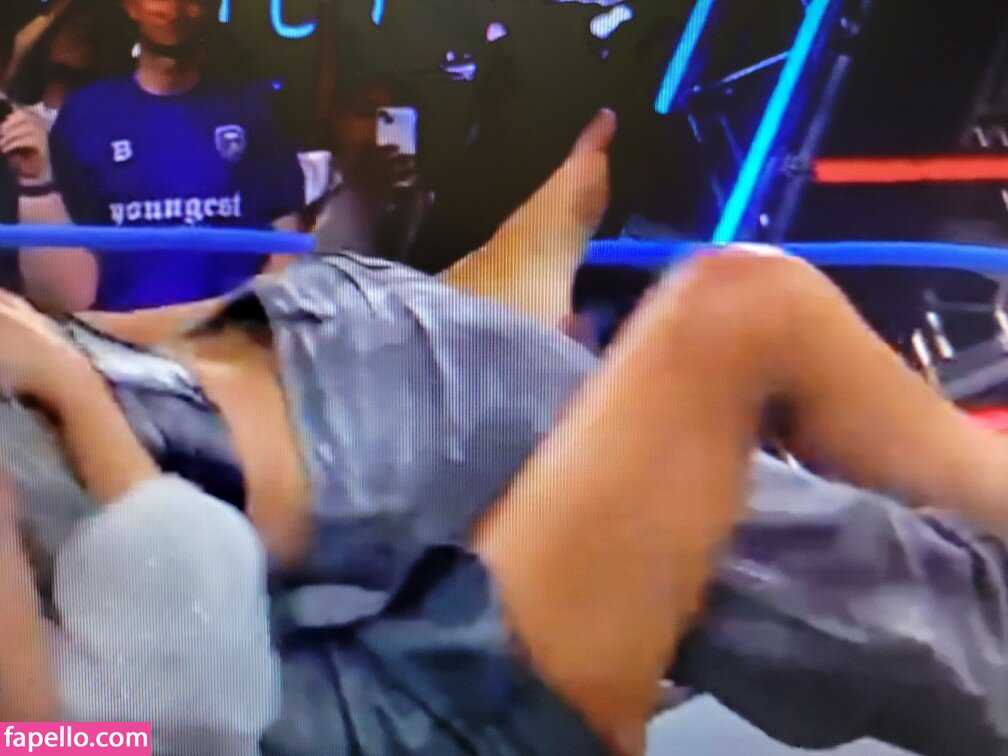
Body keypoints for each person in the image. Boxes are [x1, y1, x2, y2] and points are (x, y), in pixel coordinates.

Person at [2, 110, 1008, 755]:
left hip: (313, 374)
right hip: (369, 533)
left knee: (743, 318)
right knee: (744, 313)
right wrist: (85, 409)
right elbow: (108, 732)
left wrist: (92, 358)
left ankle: (468, 315)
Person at [47, 0, 305, 312]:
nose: (174, 7)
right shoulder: (85, 115)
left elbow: (285, 234)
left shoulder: (254, 109)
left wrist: (252, 320)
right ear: (131, 6)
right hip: (122, 331)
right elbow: (73, 247)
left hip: (228, 332)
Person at [1, 0, 136, 310]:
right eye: (74, 25)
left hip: (58, 313)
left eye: (98, 29)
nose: (85, 37)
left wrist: (38, 183)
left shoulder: (106, 133)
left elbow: (73, 296)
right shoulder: (13, 116)